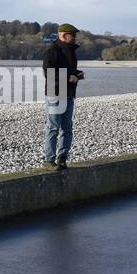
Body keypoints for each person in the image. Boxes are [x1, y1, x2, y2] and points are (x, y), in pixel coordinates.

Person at [41, 23, 85, 170]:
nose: (75, 37)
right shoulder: (52, 51)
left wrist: (78, 74)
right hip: (55, 94)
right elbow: (49, 73)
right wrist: (68, 77)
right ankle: (49, 161)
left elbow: (68, 70)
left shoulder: (72, 51)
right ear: (63, 35)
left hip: (69, 95)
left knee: (67, 128)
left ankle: (62, 159)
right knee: (53, 128)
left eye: (74, 35)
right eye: (72, 35)